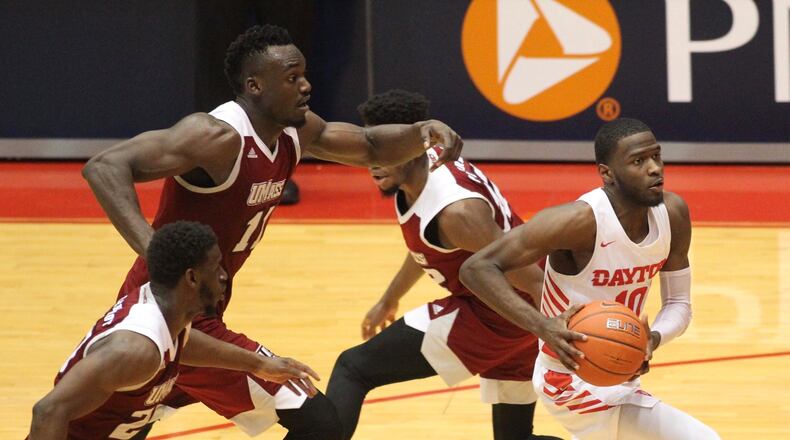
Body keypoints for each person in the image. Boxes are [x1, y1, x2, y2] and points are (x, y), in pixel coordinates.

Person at [81, 24, 462, 438]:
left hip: (201, 314)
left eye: (304, 74)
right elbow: (104, 167)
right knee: (321, 423)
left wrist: (418, 134)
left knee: (111, 430)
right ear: (255, 86)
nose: (306, 86)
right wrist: (157, 252)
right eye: (292, 78)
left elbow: (369, 145)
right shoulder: (216, 136)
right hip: (164, 314)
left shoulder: (295, 130)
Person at [326, 90, 568, 440]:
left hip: (501, 314)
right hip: (511, 312)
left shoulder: (456, 212)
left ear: (415, 143)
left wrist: (561, 329)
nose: (373, 159)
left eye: (384, 148)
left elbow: (531, 280)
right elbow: (429, 244)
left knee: (353, 368)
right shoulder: (425, 169)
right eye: (371, 145)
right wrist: (389, 299)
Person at [460, 118, 720, 439]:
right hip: (566, 376)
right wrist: (542, 325)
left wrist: (650, 340)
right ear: (607, 173)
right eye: (638, 161)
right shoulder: (578, 221)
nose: (654, 168)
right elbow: (477, 268)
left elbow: (680, 304)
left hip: (617, 370)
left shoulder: (674, 213)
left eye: (656, 156)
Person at [28, 221, 320, 439]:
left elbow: (188, 344)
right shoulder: (134, 349)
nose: (224, 276)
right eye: (216, 266)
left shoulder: (169, 315)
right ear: (191, 278)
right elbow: (47, 412)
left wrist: (260, 364)